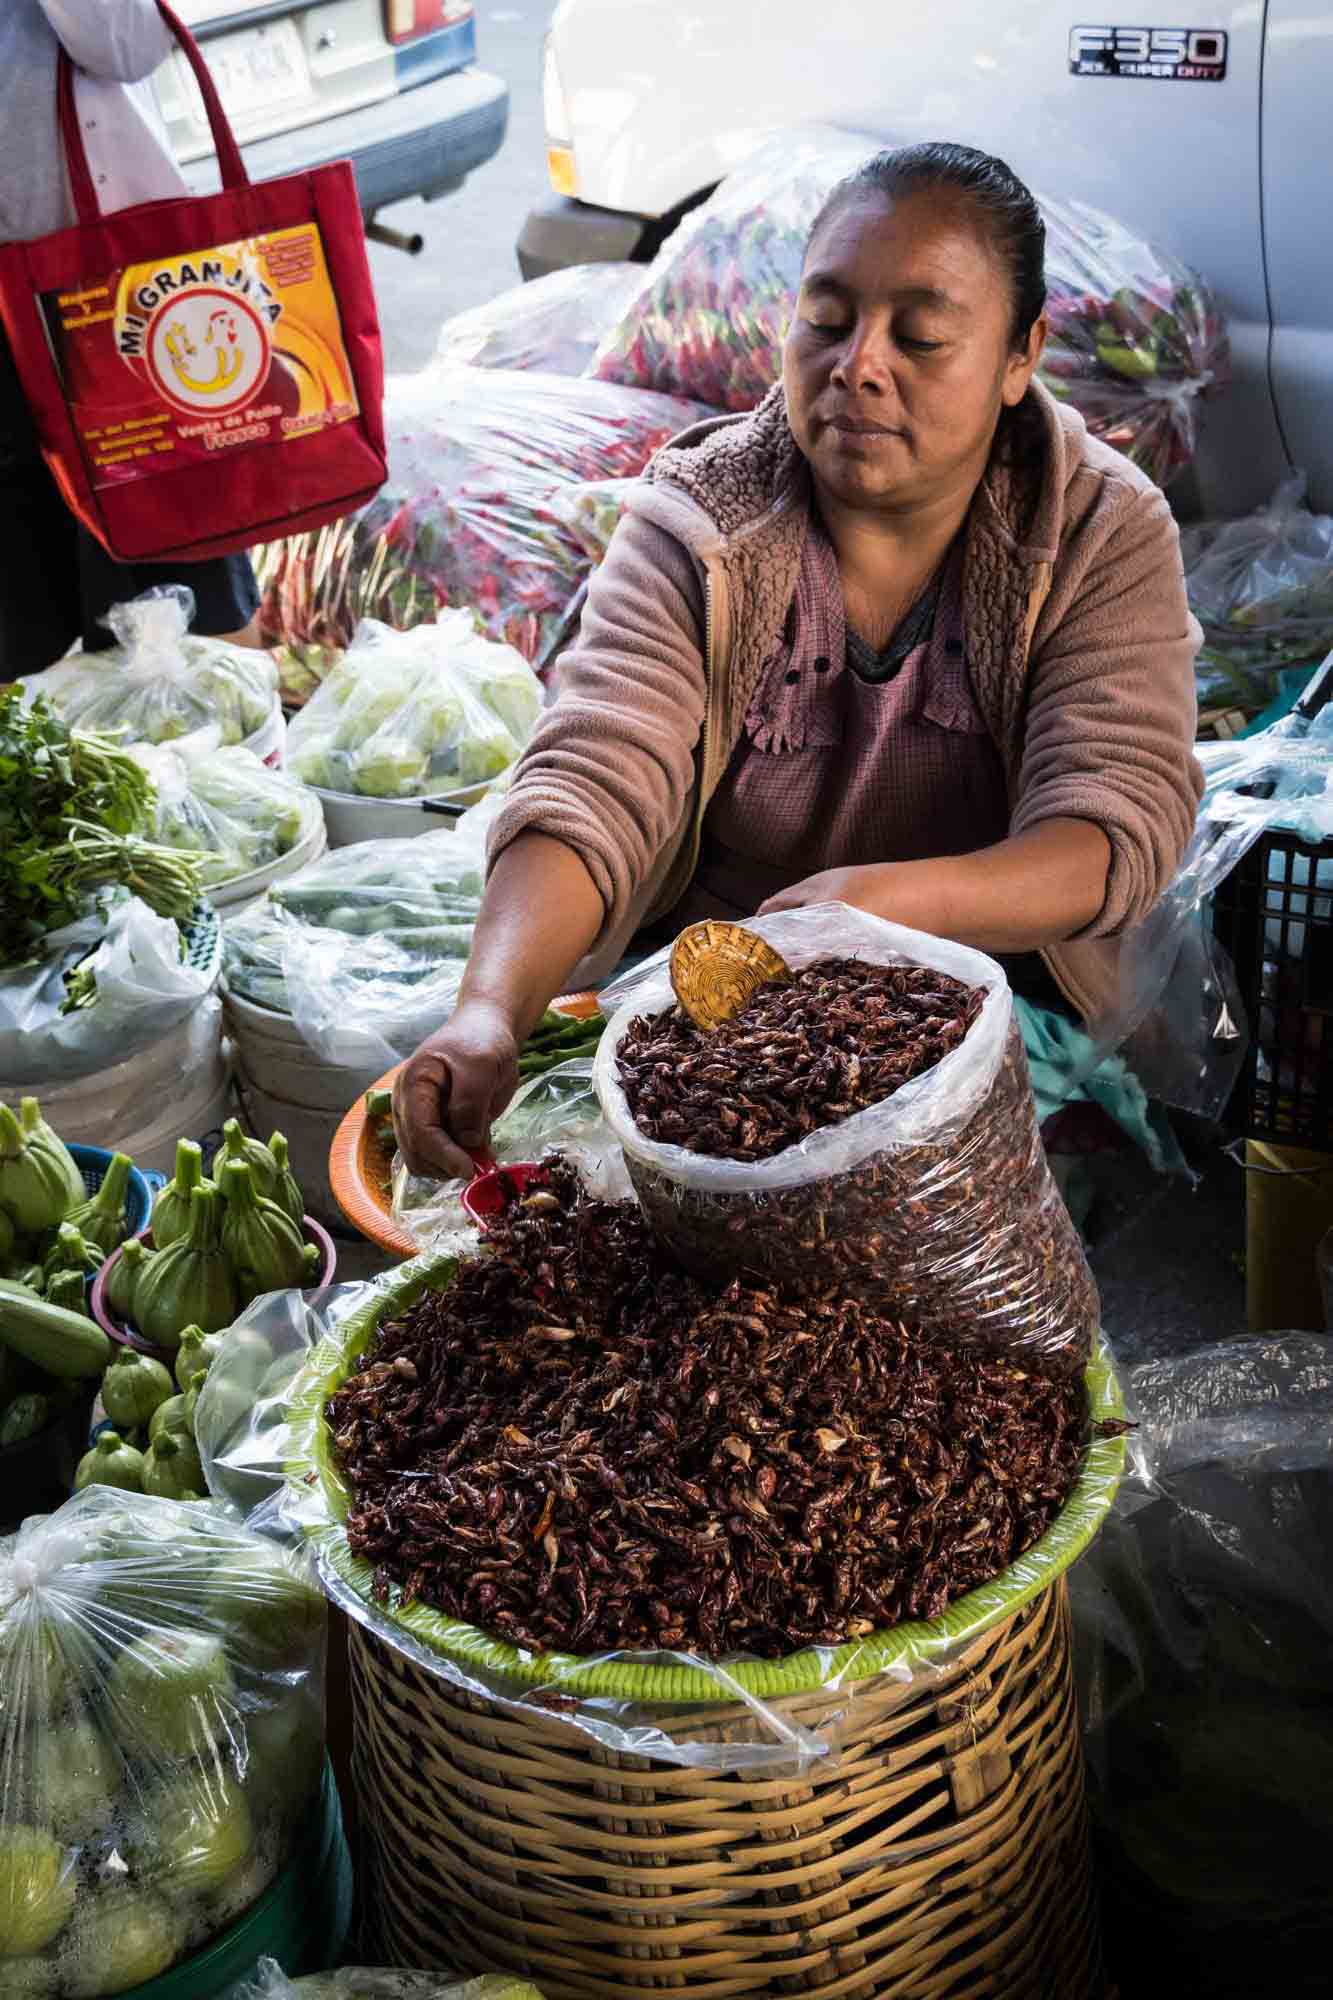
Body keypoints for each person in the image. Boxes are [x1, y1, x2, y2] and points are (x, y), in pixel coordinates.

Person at [395, 141, 1203, 1179]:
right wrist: (488, 1012)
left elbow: (1110, 829)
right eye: (825, 320)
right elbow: (595, 778)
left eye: (920, 336)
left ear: (1018, 357)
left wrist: (875, 909)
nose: (858, 363)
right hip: (719, 1011)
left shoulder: (1097, 526)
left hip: (996, 998)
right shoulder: (702, 522)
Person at [0, 0, 263, 676]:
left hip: (109, 294)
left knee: (189, 599)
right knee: (22, 627)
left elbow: (128, 44)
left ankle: (237, 768)